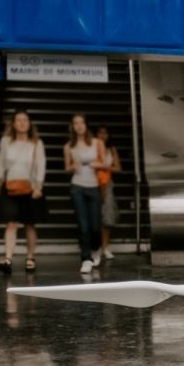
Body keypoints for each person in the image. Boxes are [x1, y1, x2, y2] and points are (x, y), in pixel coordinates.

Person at [0, 109, 47, 274]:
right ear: (13, 124)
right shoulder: (6, 141)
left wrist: (39, 187)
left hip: (30, 188)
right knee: (11, 223)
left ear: (30, 124)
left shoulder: (36, 143)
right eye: (19, 120)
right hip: (9, 186)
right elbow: (1, 164)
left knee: (30, 224)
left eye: (25, 120)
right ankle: (7, 258)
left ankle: (30, 257)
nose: (22, 123)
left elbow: (41, 165)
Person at [64, 114, 106, 274]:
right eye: (76, 123)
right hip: (77, 186)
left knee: (95, 226)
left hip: (94, 185)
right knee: (83, 225)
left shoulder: (97, 142)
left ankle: (96, 248)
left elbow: (105, 163)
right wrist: (73, 166)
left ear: (86, 124)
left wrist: (96, 163)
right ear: (72, 126)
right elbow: (66, 168)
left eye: (81, 122)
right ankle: (85, 258)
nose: (79, 126)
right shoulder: (69, 146)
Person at [94, 126, 122, 260]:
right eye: (100, 132)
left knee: (106, 215)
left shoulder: (111, 149)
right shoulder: (91, 148)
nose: (102, 135)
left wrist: (104, 167)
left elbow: (118, 168)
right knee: (94, 216)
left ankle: (105, 246)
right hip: (93, 182)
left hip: (107, 182)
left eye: (105, 133)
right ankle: (96, 246)